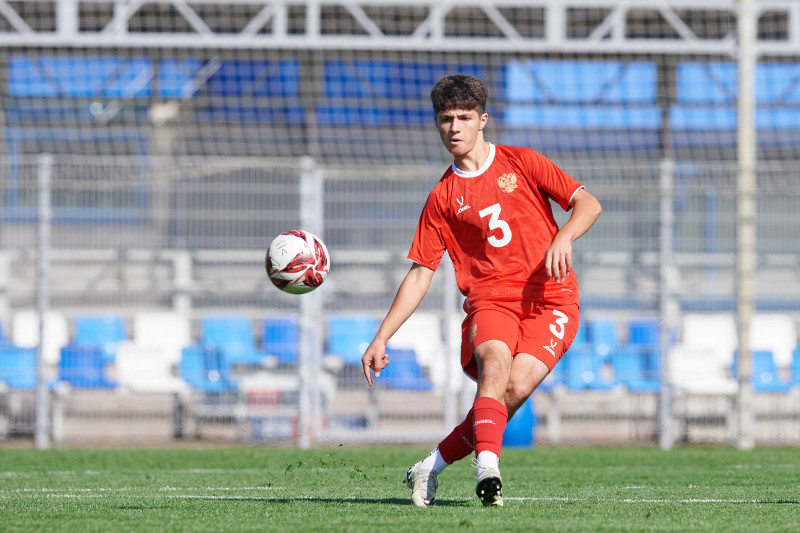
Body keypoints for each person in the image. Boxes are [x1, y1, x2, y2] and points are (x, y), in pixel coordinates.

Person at [361, 74, 602, 507]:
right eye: (445, 119)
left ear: (482, 120)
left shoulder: (523, 162)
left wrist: (564, 236)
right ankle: (488, 471)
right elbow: (420, 274)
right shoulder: (441, 198)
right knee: (494, 366)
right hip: (491, 301)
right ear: (437, 124)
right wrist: (381, 337)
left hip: (553, 300)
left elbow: (588, 203)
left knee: (513, 392)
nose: (454, 127)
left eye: (464, 117)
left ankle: (429, 466)